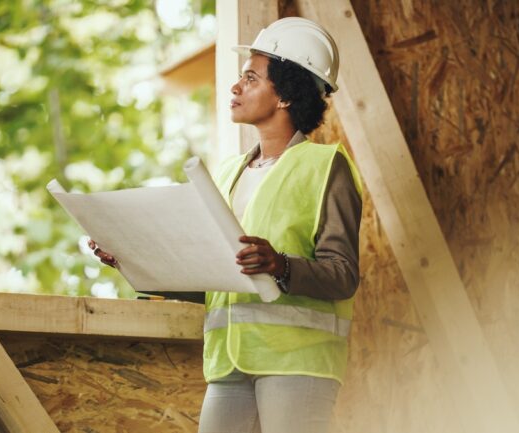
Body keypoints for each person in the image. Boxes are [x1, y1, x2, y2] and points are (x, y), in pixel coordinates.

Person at [90, 17, 362, 433]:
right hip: (227, 362)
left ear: (287, 95)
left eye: (251, 78)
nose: (235, 87)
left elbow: (342, 275)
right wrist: (132, 259)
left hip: (298, 362)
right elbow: (215, 277)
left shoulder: (326, 166)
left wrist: (280, 265)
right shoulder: (227, 174)